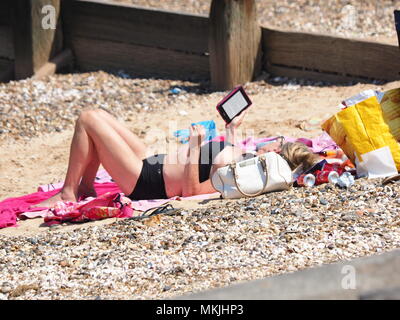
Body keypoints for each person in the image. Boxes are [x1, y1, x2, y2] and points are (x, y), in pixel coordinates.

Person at [35, 108, 319, 207]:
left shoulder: (243, 170)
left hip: (145, 180)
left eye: (277, 143)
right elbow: (225, 160)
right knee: (99, 116)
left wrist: (196, 147)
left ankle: (70, 192)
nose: (270, 142)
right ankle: (85, 186)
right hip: (151, 161)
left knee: (88, 121)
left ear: (274, 154)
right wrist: (231, 129)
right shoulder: (246, 162)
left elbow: (191, 192)